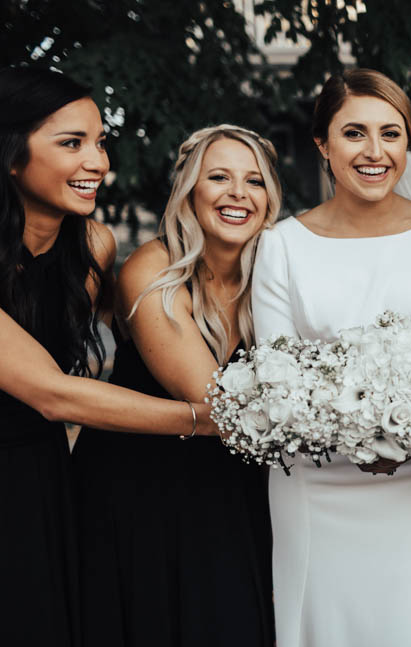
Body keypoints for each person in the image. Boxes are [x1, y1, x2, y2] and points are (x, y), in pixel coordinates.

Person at [251, 68, 411, 647]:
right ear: (322, 144)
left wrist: (398, 442)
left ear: (409, 142)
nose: (375, 152)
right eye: (354, 133)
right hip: (310, 480)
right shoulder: (281, 246)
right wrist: (350, 434)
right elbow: (277, 374)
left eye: (390, 133)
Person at [0, 67, 211, 646]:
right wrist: (212, 419)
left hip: (47, 478)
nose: (97, 162)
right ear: (11, 154)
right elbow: (53, 393)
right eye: (72, 143)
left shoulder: (94, 247)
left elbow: (138, 337)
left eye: (100, 142)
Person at [73, 124, 281, 646]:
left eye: (254, 181)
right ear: (189, 190)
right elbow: (214, 405)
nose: (239, 193)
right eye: (219, 177)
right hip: (141, 493)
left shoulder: (275, 275)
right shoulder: (153, 269)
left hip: (232, 491)